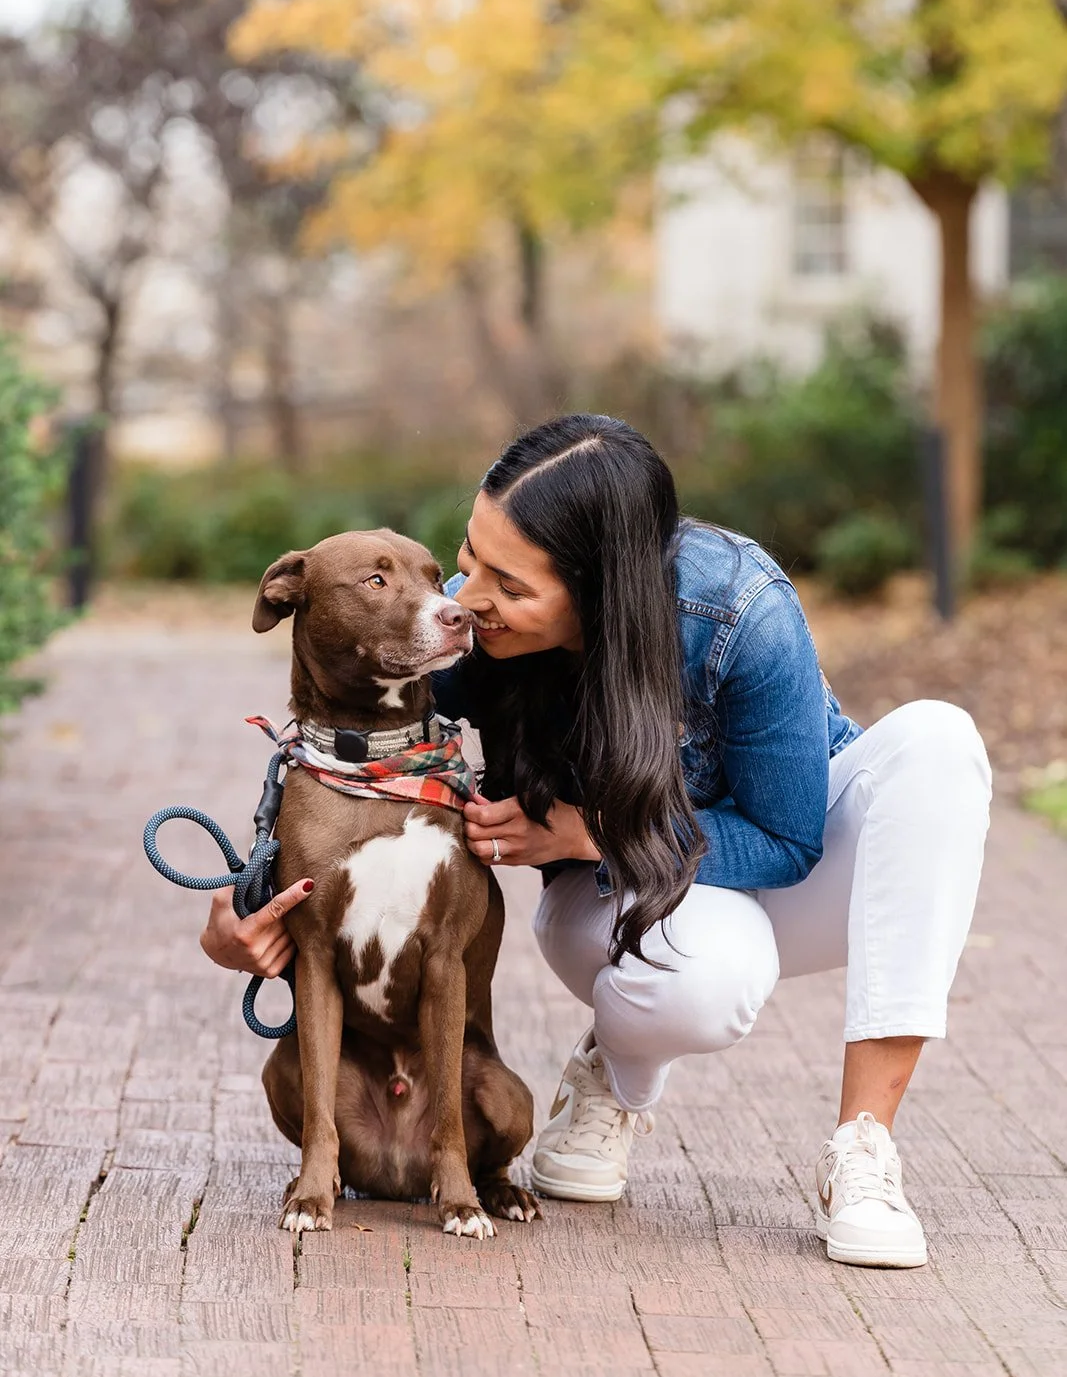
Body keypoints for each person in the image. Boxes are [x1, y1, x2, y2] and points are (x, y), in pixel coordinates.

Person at [201, 414, 992, 1269]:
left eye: (507, 582)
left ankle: (864, 1148)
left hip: (760, 855)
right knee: (698, 986)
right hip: (621, 895)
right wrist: (244, 904)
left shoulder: (738, 610)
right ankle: (613, 1076)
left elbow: (785, 840)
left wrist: (590, 830)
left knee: (938, 741)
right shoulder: (479, 633)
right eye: (469, 556)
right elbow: (350, 739)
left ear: (599, 587)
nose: (466, 599)